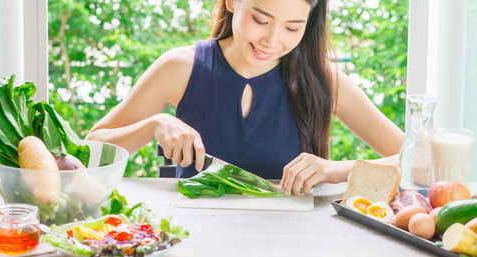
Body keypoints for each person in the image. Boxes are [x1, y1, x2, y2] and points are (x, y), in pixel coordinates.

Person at [86, 0, 404, 196]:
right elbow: (90, 151)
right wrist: (153, 125)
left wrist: (338, 169)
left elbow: (421, 160)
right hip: (194, 236)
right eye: (261, 20)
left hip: (293, 240)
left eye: (293, 28)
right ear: (231, 2)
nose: (272, 41)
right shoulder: (180, 67)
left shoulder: (323, 80)